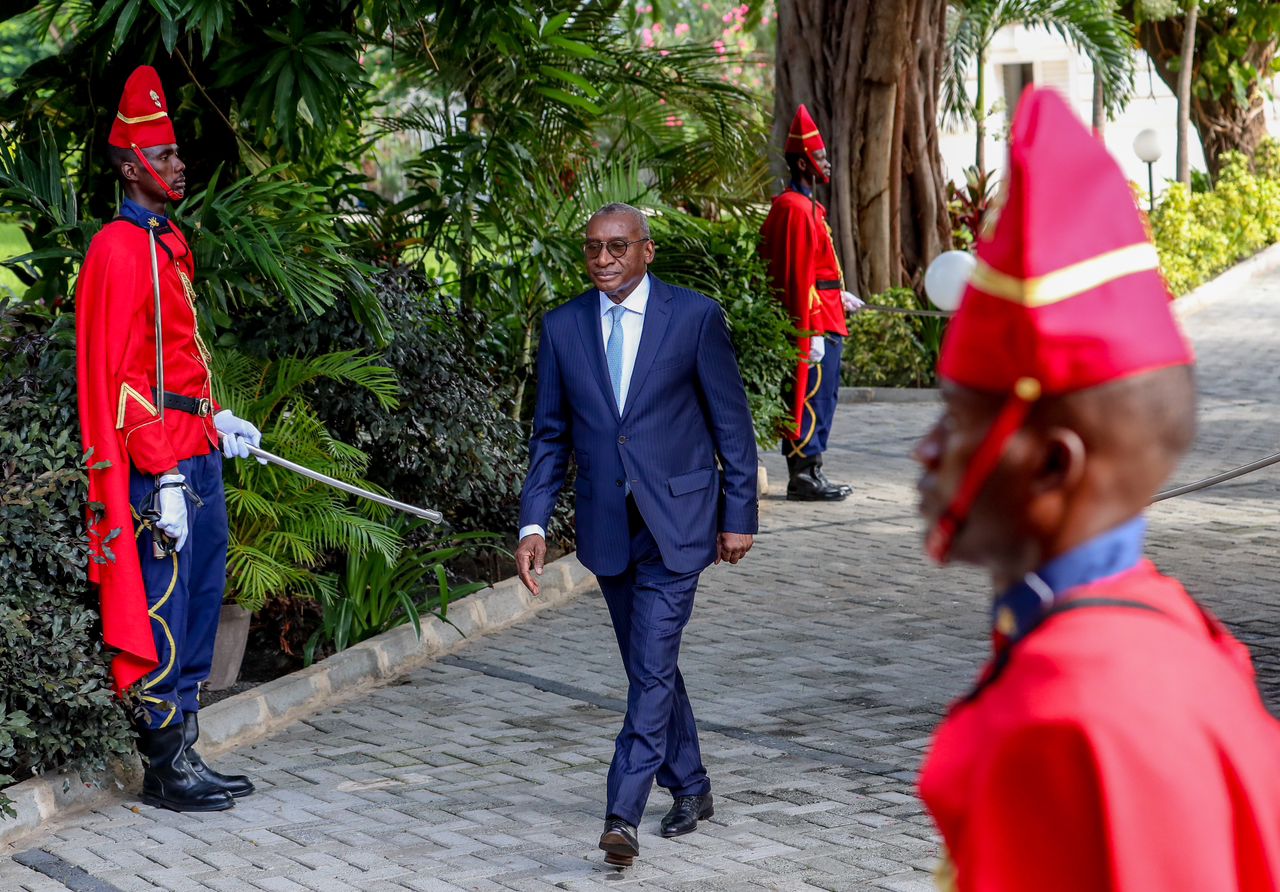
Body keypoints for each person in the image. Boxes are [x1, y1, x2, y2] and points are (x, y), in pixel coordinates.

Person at [914, 87, 1280, 891]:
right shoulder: (1167, 631)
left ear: (1052, 465)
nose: (924, 450)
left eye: (955, 421)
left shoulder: (1068, 718)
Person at [514, 203, 758, 867]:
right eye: (593, 248)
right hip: (606, 525)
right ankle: (693, 785)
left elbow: (731, 425)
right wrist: (534, 522)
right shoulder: (564, 327)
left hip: (679, 521)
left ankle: (621, 812)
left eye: (618, 247)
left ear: (646, 251)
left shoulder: (695, 318)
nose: (603, 259)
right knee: (648, 663)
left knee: (649, 664)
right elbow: (550, 436)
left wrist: (739, 515)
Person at [76, 65, 264, 813]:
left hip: (194, 446)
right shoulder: (121, 249)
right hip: (161, 465)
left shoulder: (165, 244)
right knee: (160, 603)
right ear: (130, 167)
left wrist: (210, 419)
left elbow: (172, 367)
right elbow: (122, 380)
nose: (179, 164)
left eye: (177, 153)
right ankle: (162, 763)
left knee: (197, 603)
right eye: (164, 156)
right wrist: (167, 472)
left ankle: (186, 746)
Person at [759, 104, 863, 502]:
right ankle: (802, 474)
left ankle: (813, 469)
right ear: (803, 163)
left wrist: (841, 292)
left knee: (826, 396)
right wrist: (811, 329)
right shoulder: (794, 209)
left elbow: (817, 269)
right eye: (819, 157)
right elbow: (794, 276)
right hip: (817, 321)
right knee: (811, 396)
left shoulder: (808, 208)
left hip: (829, 312)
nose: (827, 163)